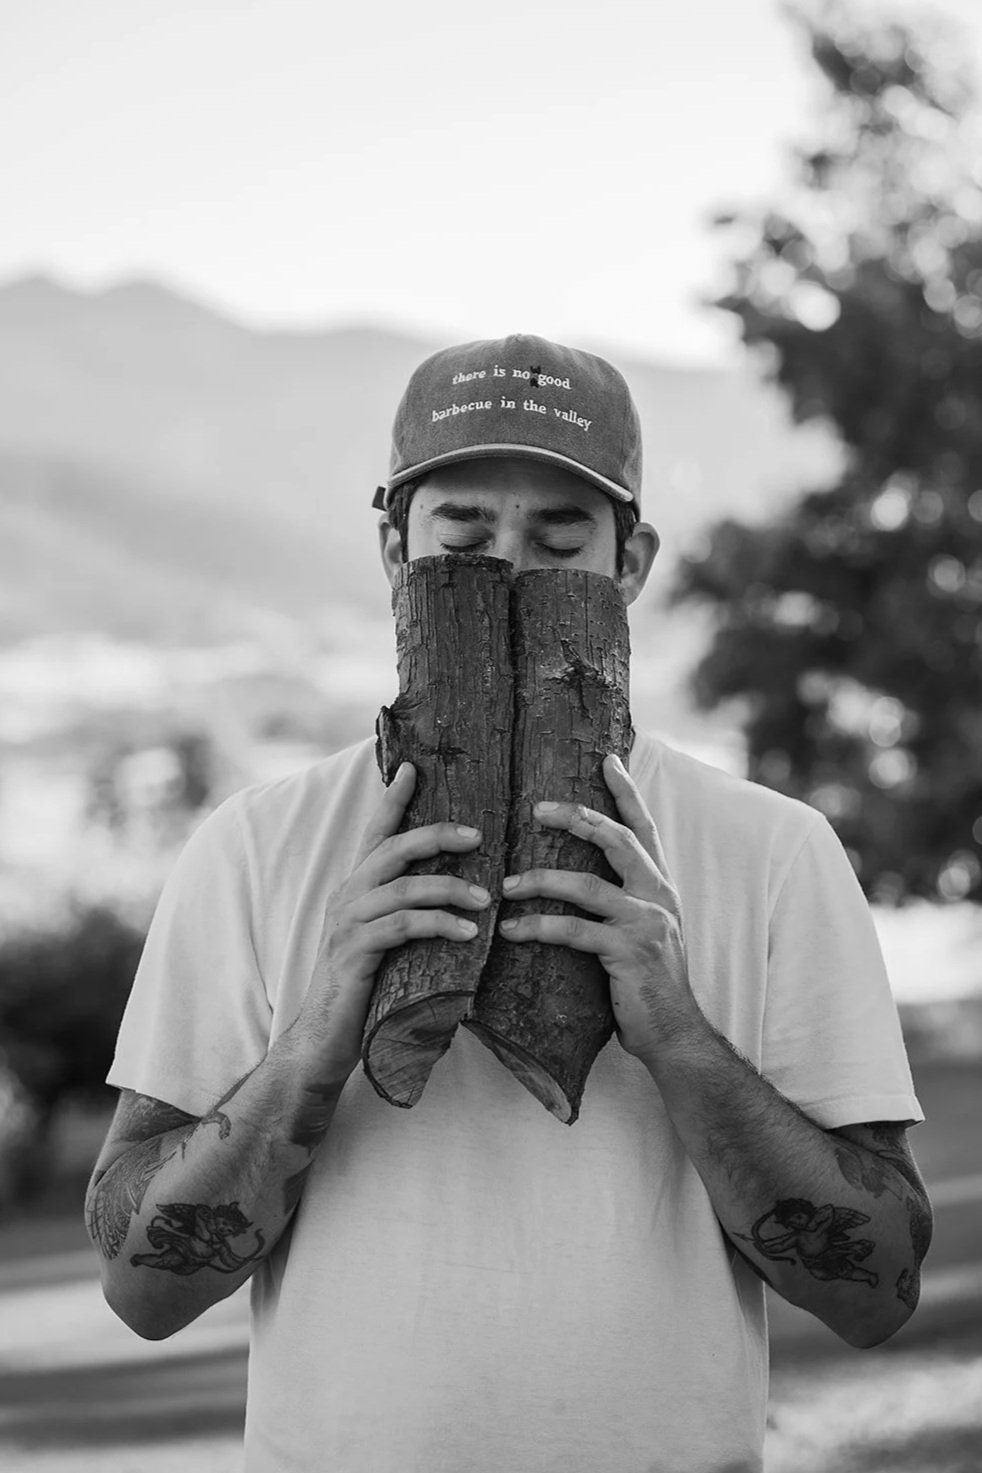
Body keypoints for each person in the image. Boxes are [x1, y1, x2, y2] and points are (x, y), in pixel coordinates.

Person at [86, 333, 932, 1473]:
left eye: (560, 538)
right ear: (394, 546)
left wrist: (676, 1035)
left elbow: (876, 1295)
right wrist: (322, 1028)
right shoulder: (251, 847)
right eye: (463, 534)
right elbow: (141, 1291)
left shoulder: (776, 852)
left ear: (631, 562)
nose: (508, 573)